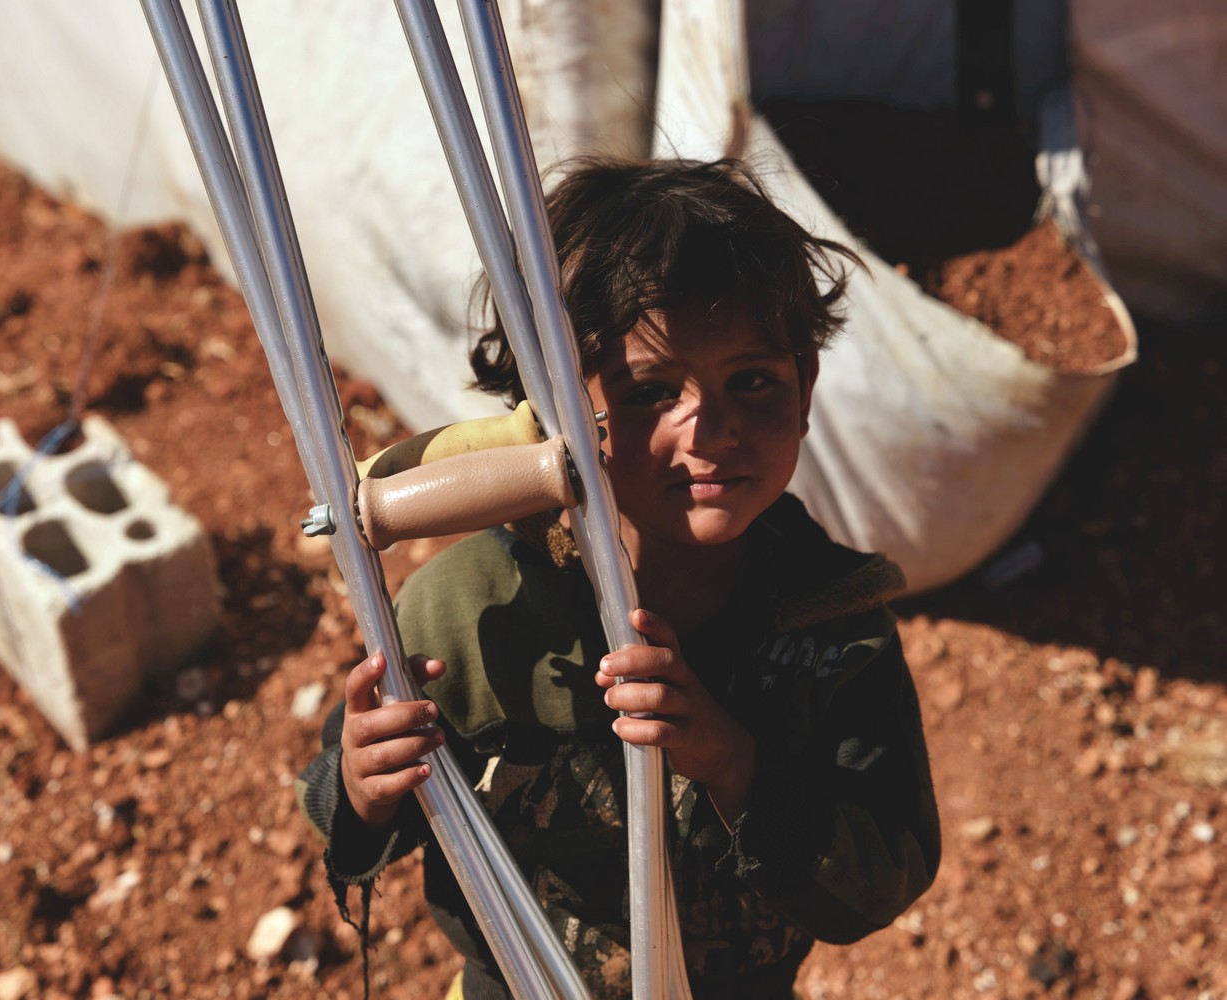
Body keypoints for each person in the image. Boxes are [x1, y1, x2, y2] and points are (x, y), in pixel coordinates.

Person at [296, 157, 941, 999]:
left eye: (753, 382)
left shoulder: (832, 627)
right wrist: (362, 787)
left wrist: (731, 762)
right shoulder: (473, 611)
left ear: (806, 385)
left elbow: (881, 881)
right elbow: (359, 826)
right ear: (554, 414)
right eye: (648, 392)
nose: (709, 432)